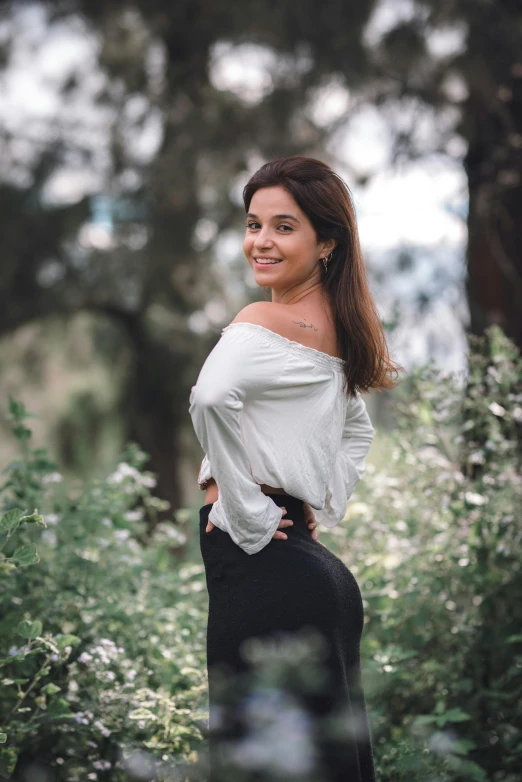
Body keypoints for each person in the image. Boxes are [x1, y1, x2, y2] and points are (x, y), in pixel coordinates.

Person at [189, 155, 403, 781]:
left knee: (261, 763)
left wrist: (246, 510)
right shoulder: (336, 330)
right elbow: (356, 428)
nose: (261, 241)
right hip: (312, 575)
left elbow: (208, 398)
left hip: (267, 569)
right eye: (254, 224)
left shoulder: (261, 323)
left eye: (284, 227)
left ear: (326, 241)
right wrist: (319, 498)